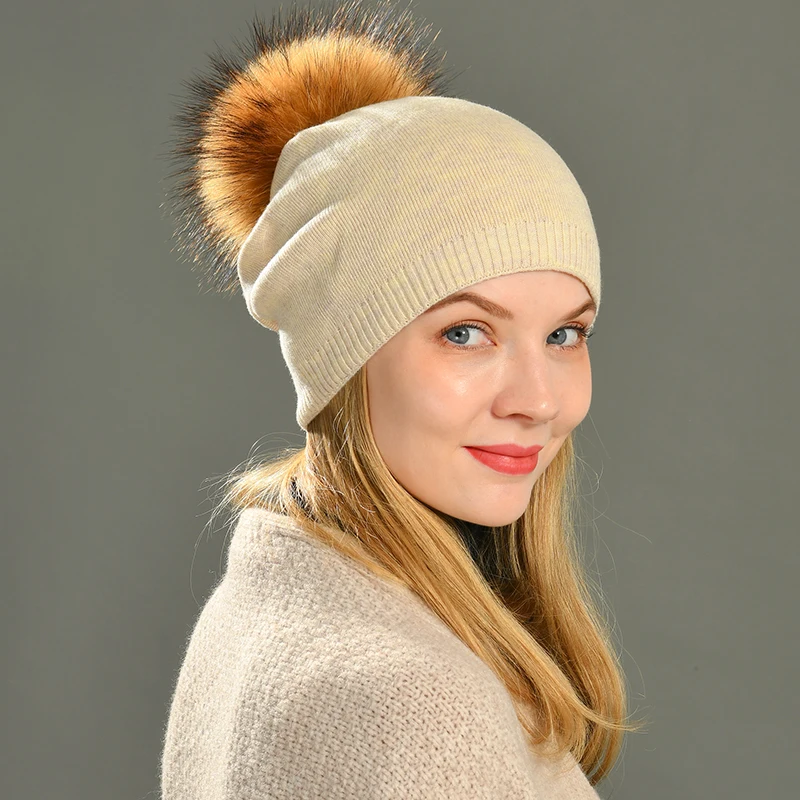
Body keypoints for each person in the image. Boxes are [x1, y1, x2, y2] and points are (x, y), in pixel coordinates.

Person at [159, 1, 646, 797]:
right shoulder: (419, 702)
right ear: (344, 355)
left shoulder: (268, 597)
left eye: (565, 334)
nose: (538, 400)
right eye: (466, 332)